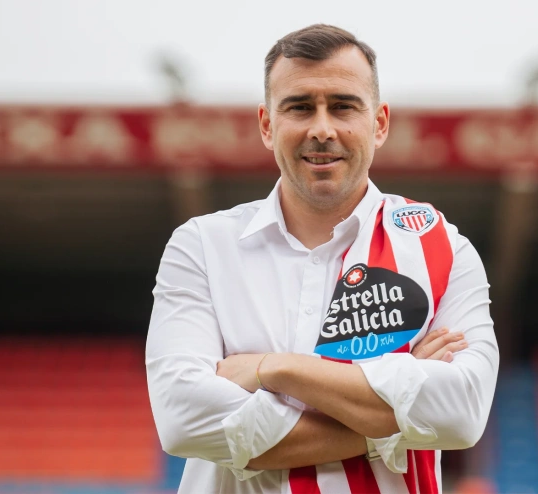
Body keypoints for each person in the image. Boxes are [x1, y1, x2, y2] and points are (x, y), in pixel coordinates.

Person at [146, 24, 499, 494]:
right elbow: (183, 421)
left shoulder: (441, 247)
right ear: (268, 125)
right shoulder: (201, 247)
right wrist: (394, 422)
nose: (322, 129)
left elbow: (462, 414)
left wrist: (274, 368)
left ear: (379, 122)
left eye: (343, 105)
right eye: (299, 107)